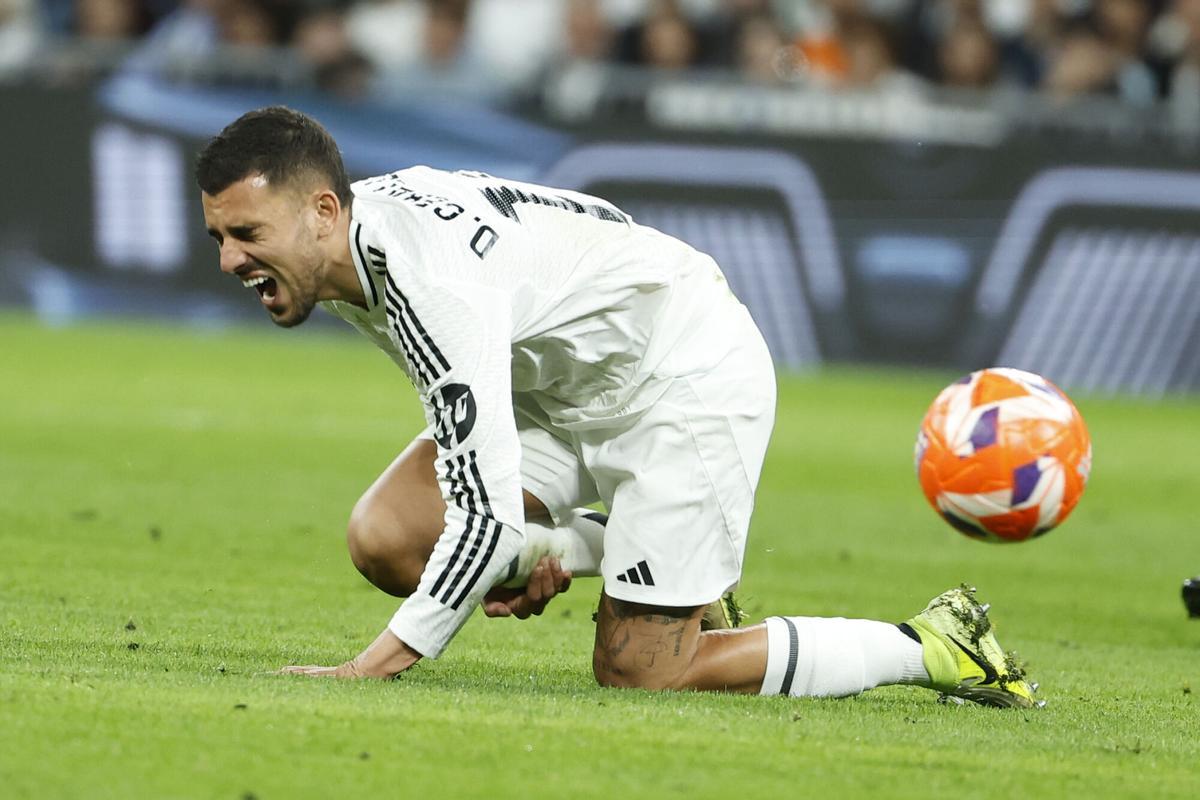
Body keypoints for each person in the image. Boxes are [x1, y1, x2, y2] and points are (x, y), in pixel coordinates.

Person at [196, 106, 1038, 705]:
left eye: (248, 235)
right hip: (562, 390)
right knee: (389, 538)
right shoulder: (348, 244)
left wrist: (369, 667)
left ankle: (933, 646)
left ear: (322, 209)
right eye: (220, 239)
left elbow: (486, 520)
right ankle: (653, 558)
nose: (231, 260)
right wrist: (519, 553)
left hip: (683, 375)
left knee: (641, 671)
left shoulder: (426, 280)